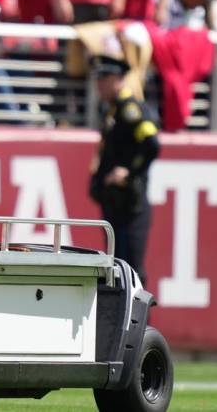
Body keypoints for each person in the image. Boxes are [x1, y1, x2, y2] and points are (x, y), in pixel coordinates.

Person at [88, 55, 160, 287]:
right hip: (115, 202)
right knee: (117, 268)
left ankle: (138, 322)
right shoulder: (111, 110)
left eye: (105, 78)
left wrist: (128, 173)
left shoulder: (131, 109)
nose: (100, 84)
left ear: (119, 79)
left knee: (131, 270)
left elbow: (151, 144)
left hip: (130, 203)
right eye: (98, 78)